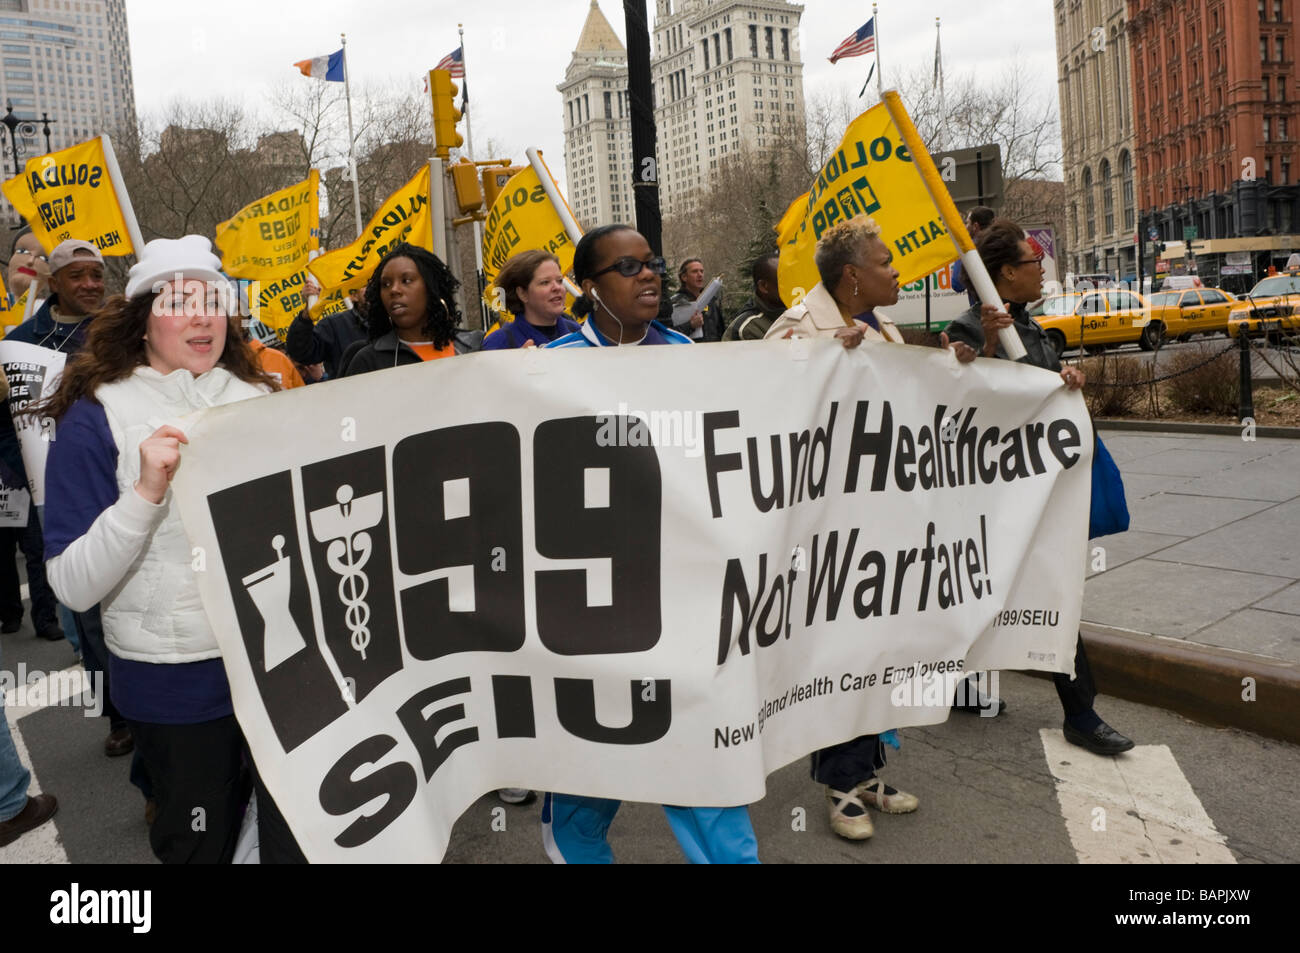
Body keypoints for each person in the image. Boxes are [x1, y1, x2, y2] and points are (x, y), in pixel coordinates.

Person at [37, 235, 305, 863]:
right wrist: (145, 494)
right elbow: (72, 586)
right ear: (141, 317)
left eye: (212, 299)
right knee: (199, 843)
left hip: (281, 668)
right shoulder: (96, 414)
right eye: (178, 300)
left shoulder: (261, 398)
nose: (200, 314)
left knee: (293, 839)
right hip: (174, 684)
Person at [541, 224, 756, 863]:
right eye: (628, 266)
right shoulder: (542, 372)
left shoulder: (689, 356)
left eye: (652, 263)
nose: (649, 276)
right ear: (589, 288)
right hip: (589, 617)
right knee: (586, 790)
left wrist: (829, 361)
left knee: (706, 772)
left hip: (685, 605)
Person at [765, 216, 978, 841]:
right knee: (840, 652)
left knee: (879, 651)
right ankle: (840, 785)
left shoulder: (881, 325)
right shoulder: (800, 329)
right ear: (852, 275)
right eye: (885, 262)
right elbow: (773, 417)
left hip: (883, 524)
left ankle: (865, 773)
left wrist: (954, 367)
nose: (896, 270)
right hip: (828, 532)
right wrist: (825, 369)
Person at [944, 219, 1135, 757]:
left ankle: (1078, 711)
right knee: (987, 594)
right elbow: (955, 401)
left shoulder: (1029, 326)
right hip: (993, 503)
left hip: (1040, 495)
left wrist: (1065, 381)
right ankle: (1078, 713)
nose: (1042, 268)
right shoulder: (969, 327)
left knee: (1046, 594)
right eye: (1034, 262)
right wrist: (976, 347)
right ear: (1006, 273)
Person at [341, 244, 482, 376]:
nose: (394, 290)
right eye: (386, 284)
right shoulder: (368, 361)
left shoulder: (476, 345)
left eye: (406, 281)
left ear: (431, 287)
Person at [481, 249, 580, 350]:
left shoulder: (579, 334)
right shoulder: (498, 343)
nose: (557, 287)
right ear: (522, 293)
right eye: (545, 282)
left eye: (559, 281)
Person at [284, 280, 366, 380]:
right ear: (353, 295)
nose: (373, 287)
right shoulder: (334, 325)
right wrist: (307, 314)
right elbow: (300, 351)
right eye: (366, 284)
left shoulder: (390, 321)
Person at [721, 251, 786, 341]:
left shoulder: (795, 313)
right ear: (763, 286)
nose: (792, 285)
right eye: (784, 280)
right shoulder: (747, 328)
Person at [669, 257, 724, 342]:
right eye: (695, 271)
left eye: (701, 271)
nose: (700, 275)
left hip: (713, 353)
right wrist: (690, 325)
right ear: (684, 277)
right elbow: (669, 335)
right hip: (689, 353)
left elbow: (721, 331)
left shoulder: (711, 301)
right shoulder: (675, 303)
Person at [950, 206, 996, 307]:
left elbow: (957, 285)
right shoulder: (1005, 243)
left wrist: (961, 253)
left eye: (967, 223)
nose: (965, 226)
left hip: (984, 313)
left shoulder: (969, 250)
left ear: (975, 226)